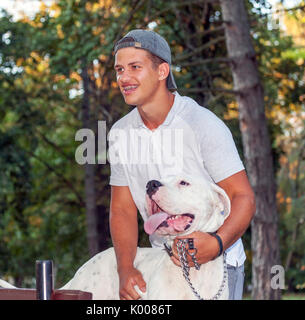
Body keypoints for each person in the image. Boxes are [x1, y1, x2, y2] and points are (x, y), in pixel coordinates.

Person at [108, 29, 256, 300]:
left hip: (218, 264)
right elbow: (122, 210)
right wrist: (125, 267)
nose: (124, 78)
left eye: (135, 67)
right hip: (164, 264)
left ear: (162, 70)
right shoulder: (120, 134)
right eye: (119, 69)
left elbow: (242, 196)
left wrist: (217, 243)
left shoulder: (202, 124)